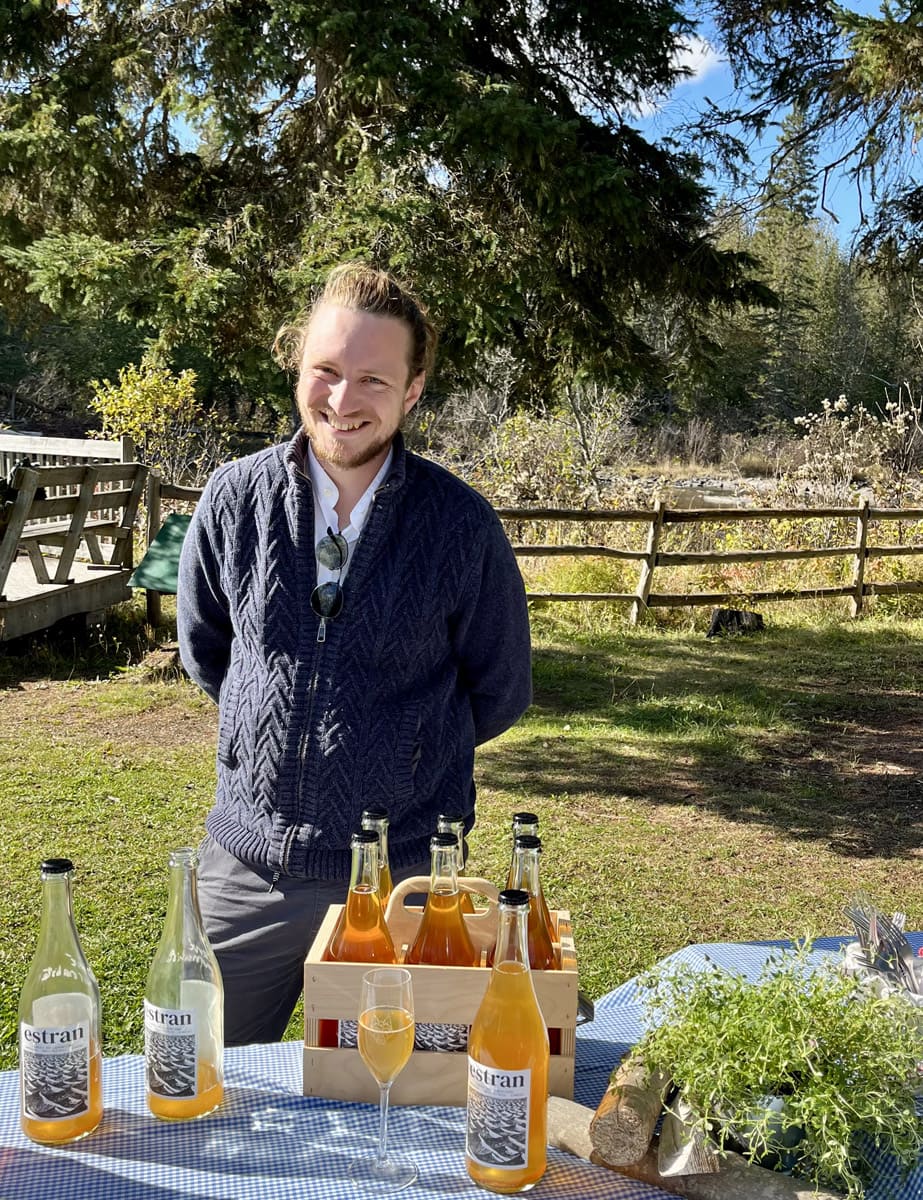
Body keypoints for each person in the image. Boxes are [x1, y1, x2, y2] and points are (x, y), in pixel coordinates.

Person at [177, 262, 532, 1044]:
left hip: (404, 882)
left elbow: (499, 687)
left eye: (372, 379)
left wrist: (399, 754)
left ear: (412, 391)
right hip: (246, 876)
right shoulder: (233, 499)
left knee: (397, 1098)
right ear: (297, 367)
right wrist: (263, 735)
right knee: (204, 1091)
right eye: (326, 371)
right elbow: (208, 652)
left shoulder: (460, 526)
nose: (342, 401)